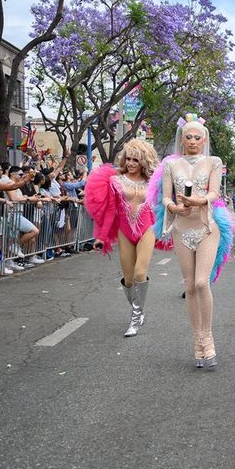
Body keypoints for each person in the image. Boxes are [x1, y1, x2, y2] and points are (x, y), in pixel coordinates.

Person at [156, 115, 233, 368]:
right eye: (187, 137)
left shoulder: (214, 162)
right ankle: (197, 342)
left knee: (202, 282)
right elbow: (165, 198)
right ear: (182, 139)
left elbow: (214, 192)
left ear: (204, 139)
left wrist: (200, 202)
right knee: (189, 286)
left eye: (197, 137)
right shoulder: (171, 165)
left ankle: (208, 338)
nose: (192, 141)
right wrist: (175, 208)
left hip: (206, 227)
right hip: (181, 229)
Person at [84, 139, 159, 338]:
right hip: (125, 232)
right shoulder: (115, 181)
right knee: (128, 280)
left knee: (140, 274)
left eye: (136, 159)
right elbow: (110, 211)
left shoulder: (152, 182)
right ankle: (138, 308)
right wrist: (101, 237)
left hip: (147, 229)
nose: (132, 163)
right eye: (129, 159)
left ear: (144, 161)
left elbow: (162, 206)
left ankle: (135, 319)